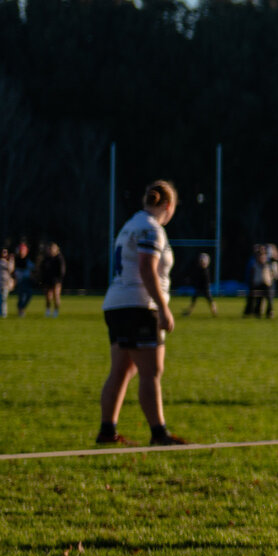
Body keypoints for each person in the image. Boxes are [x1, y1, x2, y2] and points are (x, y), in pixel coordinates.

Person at [98, 180, 186, 446]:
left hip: (116, 304)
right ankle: (159, 433)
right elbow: (147, 269)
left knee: (122, 370)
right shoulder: (151, 229)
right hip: (138, 305)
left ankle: (107, 431)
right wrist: (163, 307)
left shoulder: (131, 225)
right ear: (168, 206)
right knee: (151, 371)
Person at [183, 251, 217, 316]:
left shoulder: (205, 271)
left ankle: (214, 312)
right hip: (200, 287)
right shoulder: (200, 269)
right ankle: (189, 312)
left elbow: (206, 281)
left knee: (209, 300)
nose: (201, 262)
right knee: (195, 300)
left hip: (204, 288)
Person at [38, 241, 67, 316]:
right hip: (47, 280)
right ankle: (48, 310)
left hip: (56, 281)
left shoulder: (59, 258)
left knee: (56, 296)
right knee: (48, 296)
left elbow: (62, 270)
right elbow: (42, 269)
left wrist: (59, 280)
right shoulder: (46, 258)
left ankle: (56, 311)